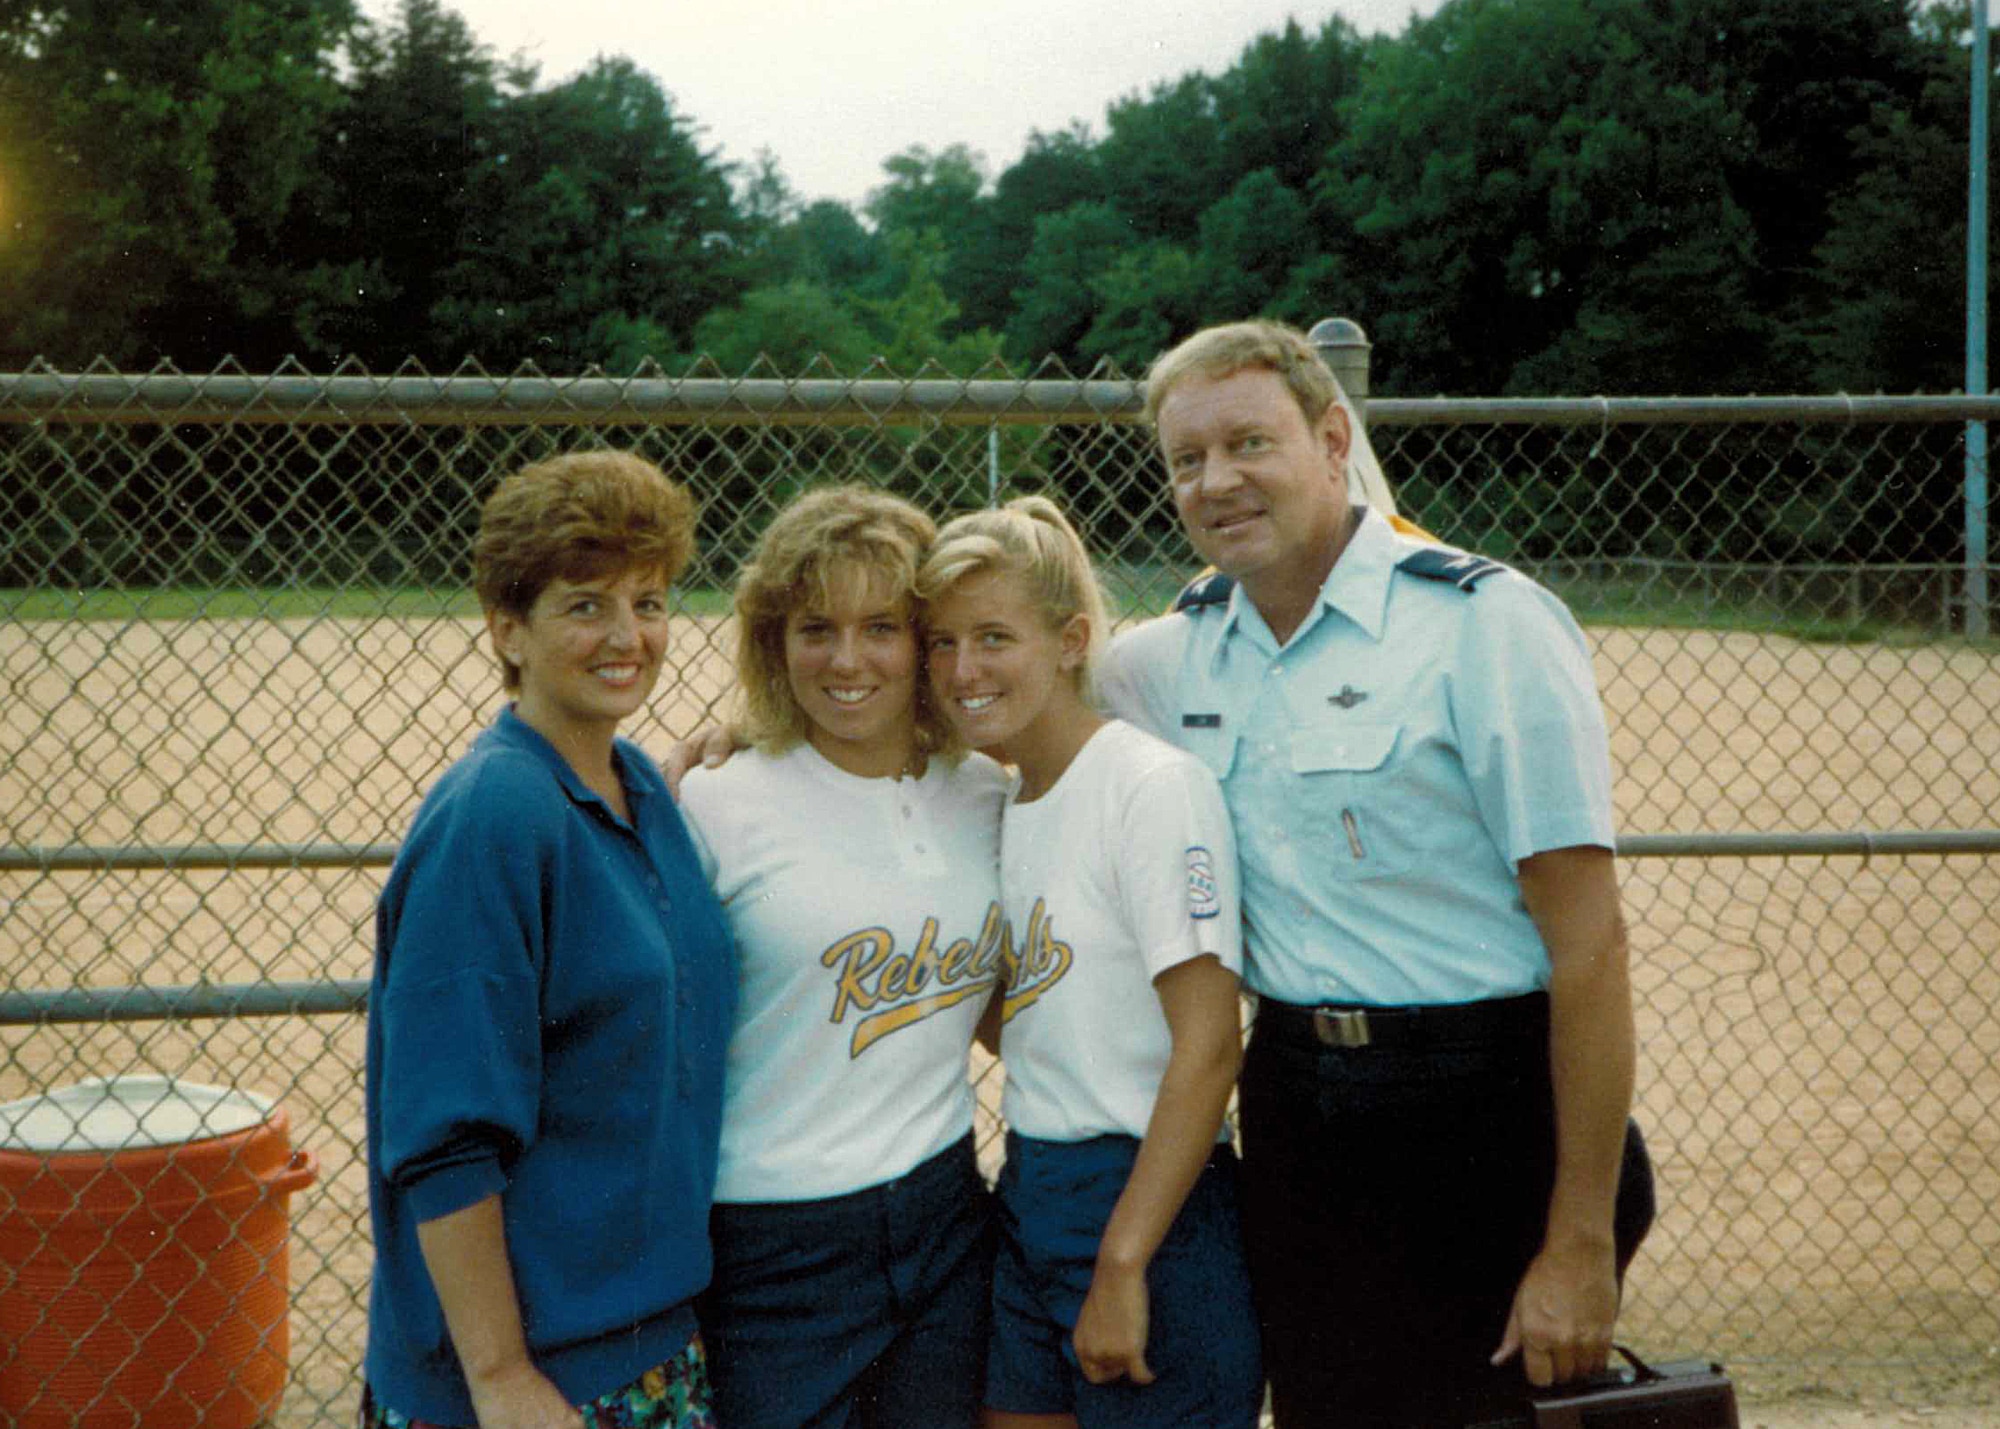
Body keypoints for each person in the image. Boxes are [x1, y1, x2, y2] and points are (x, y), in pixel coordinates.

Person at [1094, 319, 1654, 1429]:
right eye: (1185, 460)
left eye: (1248, 443)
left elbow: (1587, 949)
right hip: (1302, 1115)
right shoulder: (1174, 654)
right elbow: (998, 705)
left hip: (1487, 1114)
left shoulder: (1482, 625)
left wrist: (1577, 1241)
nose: (1216, 481)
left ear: (1332, 435)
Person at [362, 451, 737, 1429]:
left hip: (648, 1342)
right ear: (507, 629)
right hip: (530, 1381)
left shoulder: (642, 788)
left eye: (649, 601)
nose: (628, 636)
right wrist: (499, 1378)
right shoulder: (493, 815)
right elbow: (444, 1135)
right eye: (585, 605)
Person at [919, 496, 1262, 1429]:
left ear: (1071, 639)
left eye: (994, 637)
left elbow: (1208, 1047)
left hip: (1150, 1197)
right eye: (941, 642)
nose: (963, 670)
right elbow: (1036, 1009)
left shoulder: (1149, 788)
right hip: (1031, 1185)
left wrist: (1122, 1260)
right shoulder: (1002, 797)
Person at [676, 485, 1009, 1429]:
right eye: (816, 627)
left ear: (924, 642)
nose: (848, 659)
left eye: (882, 627)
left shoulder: (985, 790)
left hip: (946, 1215)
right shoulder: (715, 800)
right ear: (775, 641)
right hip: (769, 1240)